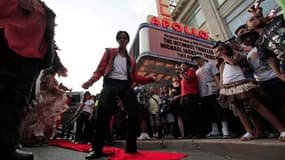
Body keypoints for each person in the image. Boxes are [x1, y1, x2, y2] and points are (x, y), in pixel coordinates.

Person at [82, 31, 156, 159]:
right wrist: (91, 81)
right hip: (110, 83)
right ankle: (97, 149)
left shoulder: (131, 59)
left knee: (134, 112)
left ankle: (131, 147)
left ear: (127, 40)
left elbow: (134, 76)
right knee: (103, 114)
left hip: (125, 85)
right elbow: (100, 69)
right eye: (120, 38)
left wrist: (149, 79)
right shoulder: (110, 52)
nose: (122, 40)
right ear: (118, 40)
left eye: (125, 38)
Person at [0, 0, 58, 159]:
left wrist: (52, 62)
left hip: (31, 63)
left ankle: (7, 146)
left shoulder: (45, 10)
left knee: (18, 104)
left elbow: (49, 41)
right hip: (7, 54)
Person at [213, 42, 285, 141]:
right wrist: (221, 88)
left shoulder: (236, 55)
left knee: (255, 104)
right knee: (239, 109)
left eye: (220, 50)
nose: (218, 53)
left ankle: (281, 129)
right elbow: (221, 78)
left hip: (242, 85)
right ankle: (250, 131)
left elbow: (233, 62)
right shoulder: (221, 64)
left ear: (226, 49)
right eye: (216, 52)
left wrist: (223, 55)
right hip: (229, 88)